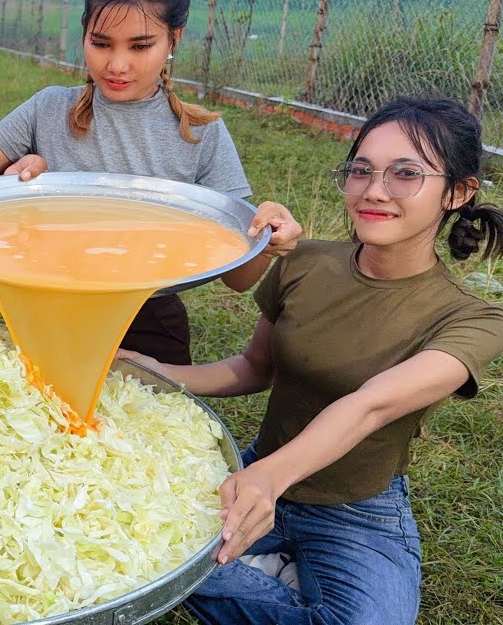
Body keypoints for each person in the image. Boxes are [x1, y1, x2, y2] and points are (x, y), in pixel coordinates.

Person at [119, 98, 503, 625]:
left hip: (357, 507)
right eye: (361, 171)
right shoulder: (303, 263)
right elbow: (255, 367)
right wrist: (148, 367)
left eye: (406, 174)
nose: (374, 191)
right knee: (128, 555)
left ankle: (257, 571)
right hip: (254, 473)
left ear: (458, 192)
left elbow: (370, 406)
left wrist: (268, 482)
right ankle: (267, 570)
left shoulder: (474, 319)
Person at [0, 0, 301, 364]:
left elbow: (236, 278)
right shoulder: (48, 109)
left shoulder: (200, 134)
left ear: (174, 39)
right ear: (85, 32)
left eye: (141, 46)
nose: (117, 64)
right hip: (45, 310)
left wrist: (266, 242)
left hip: (149, 325)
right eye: (101, 43)